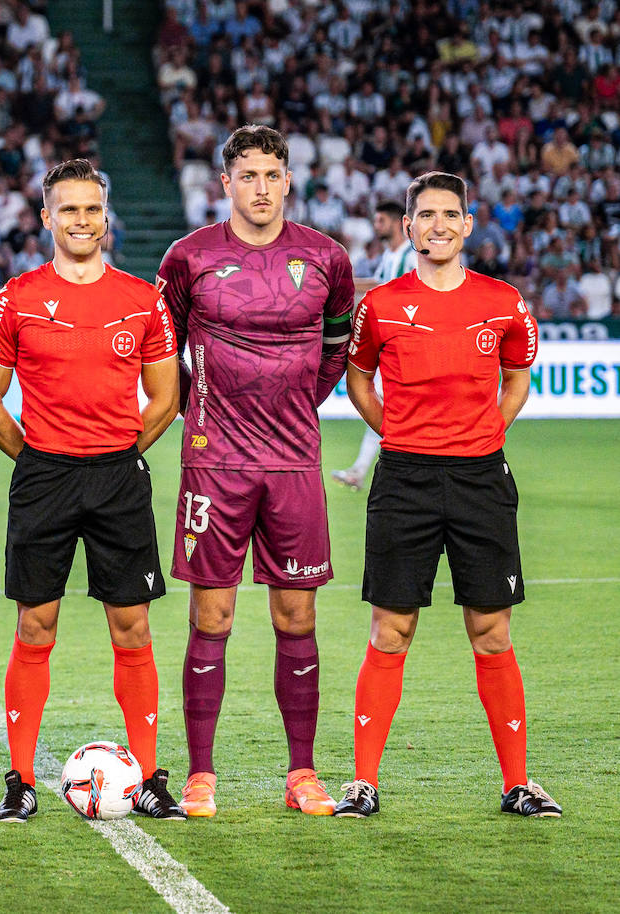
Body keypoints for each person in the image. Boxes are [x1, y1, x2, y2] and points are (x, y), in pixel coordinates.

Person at [335, 172, 560, 819]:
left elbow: (516, 374)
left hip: (479, 478)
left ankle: (517, 784)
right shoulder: (379, 305)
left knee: (490, 631)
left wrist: (491, 428)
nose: (437, 225)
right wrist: (395, 433)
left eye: (449, 215)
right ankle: (364, 784)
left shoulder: (502, 301)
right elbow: (357, 376)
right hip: (403, 479)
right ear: (408, 227)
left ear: (467, 225)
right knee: (390, 629)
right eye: (424, 215)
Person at [0, 159, 184, 822]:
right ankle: (20, 780)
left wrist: (118, 454)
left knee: (132, 625)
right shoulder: (18, 297)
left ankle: (149, 778)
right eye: (69, 210)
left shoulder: (142, 299)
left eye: (92, 209)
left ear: (105, 215)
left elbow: (166, 396)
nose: (82, 221)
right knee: (35, 625)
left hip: (118, 477)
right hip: (45, 478)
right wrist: (39, 458)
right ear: (46, 218)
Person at [156, 125, 355, 818]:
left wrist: (298, 401)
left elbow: (336, 349)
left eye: (273, 174)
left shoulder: (327, 257)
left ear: (289, 181)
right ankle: (200, 775)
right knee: (210, 617)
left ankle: (302, 772)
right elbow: (162, 349)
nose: (261, 188)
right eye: (248, 176)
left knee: (297, 617)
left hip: (294, 460)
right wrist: (199, 408)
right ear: (226, 183)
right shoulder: (189, 257)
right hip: (215, 462)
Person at [332, 200, 416, 491]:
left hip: (406, 346)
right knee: (385, 408)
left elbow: (405, 293)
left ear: (396, 222)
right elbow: (380, 285)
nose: (376, 226)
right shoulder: (392, 255)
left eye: (380, 221)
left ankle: (406, 466)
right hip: (391, 345)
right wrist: (345, 284)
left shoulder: (410, 255)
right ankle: (362, 470)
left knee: (391, 409)